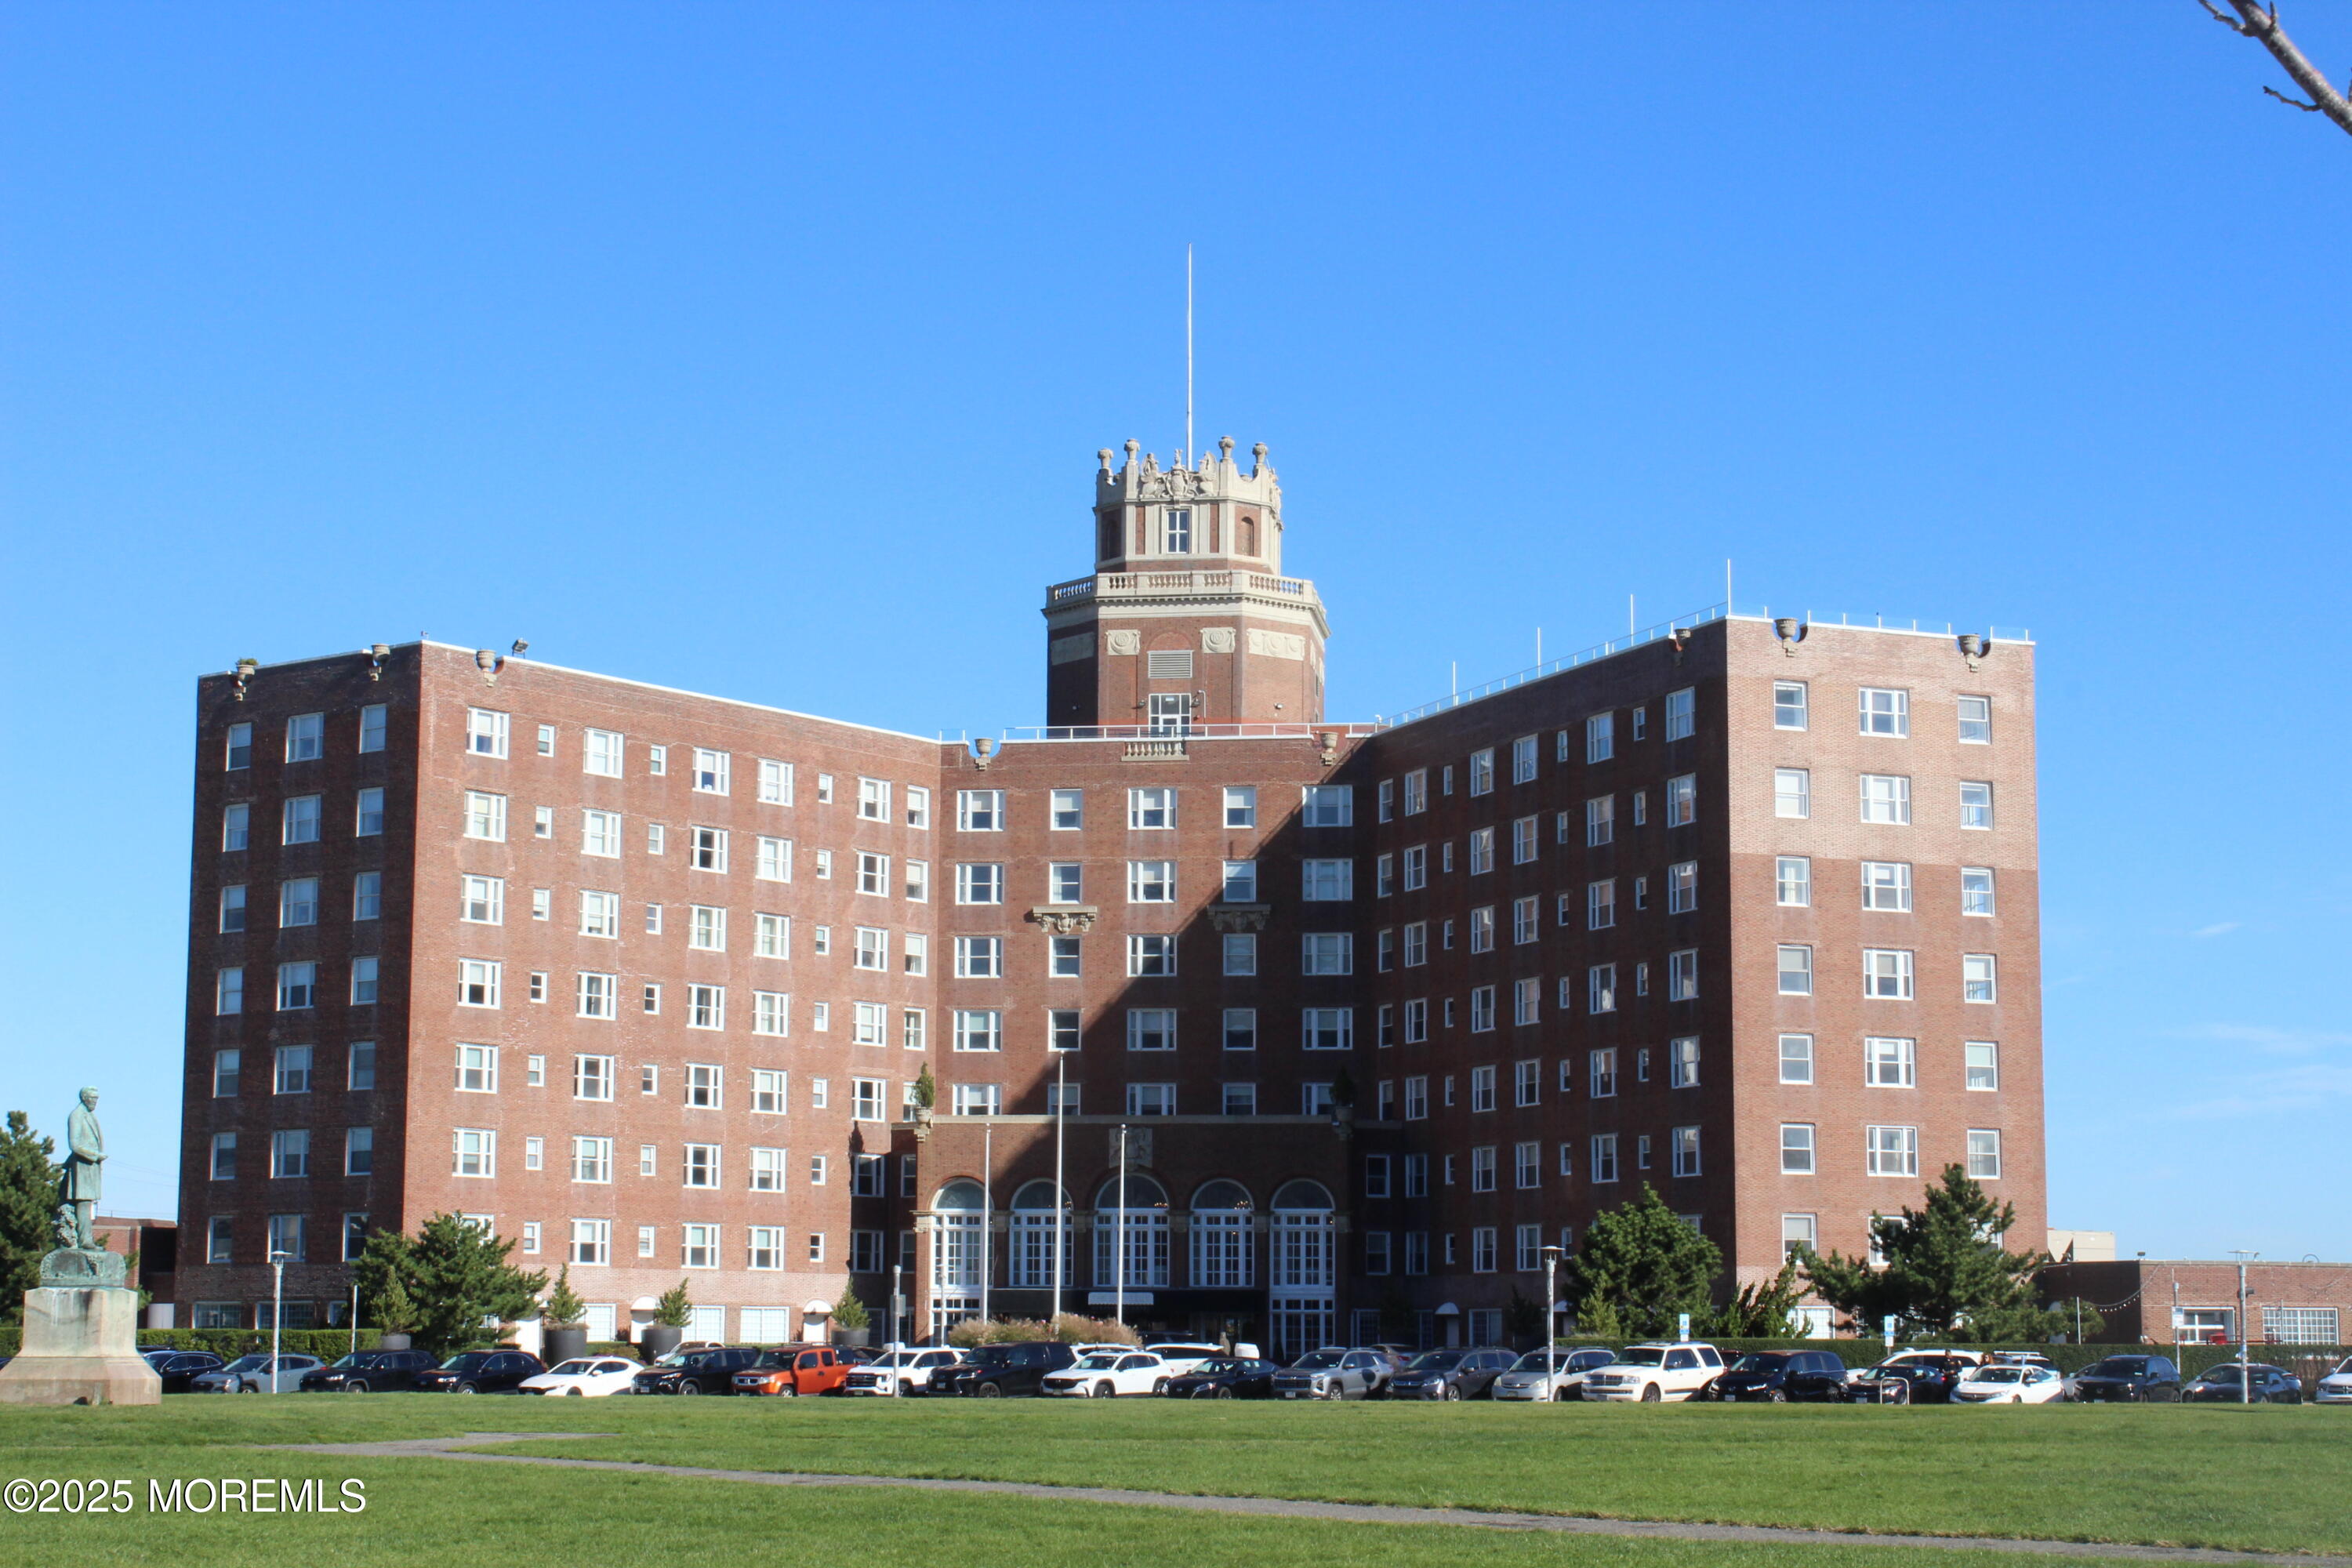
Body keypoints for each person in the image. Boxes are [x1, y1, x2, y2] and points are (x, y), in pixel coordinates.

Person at [62, 1087, 104, 1251]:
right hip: (82, 1166)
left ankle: (86, 1238)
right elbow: (75, 1144)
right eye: (92, 1098)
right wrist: (95, 1155)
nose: (95, 1102)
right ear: (84, 1098)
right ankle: (85, 1240)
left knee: (88, 1202)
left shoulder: (90, 1116)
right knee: (84, 1202)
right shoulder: (77, 1115)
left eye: (97, 1098)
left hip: (90, 1167)